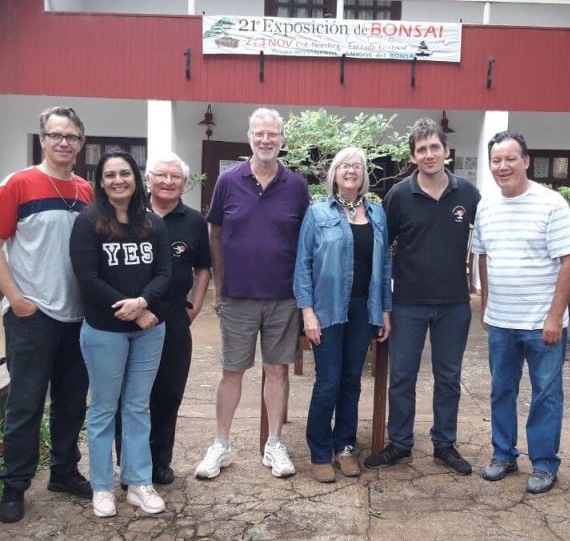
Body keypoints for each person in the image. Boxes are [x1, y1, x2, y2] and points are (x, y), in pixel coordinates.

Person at [0, 106, 94, 523]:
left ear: (81, 144)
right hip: (33, 315)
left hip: (78, 317)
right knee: (25, 404)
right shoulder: (19, 184)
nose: (65, 143)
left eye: (73, 137)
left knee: (71, 402)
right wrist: (17, 298)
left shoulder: (86, 191)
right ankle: (15, 485)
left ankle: (63, 471)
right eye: (56, 135)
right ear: (42, 139)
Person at [195, 108, 310, 480]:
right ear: (250, 138)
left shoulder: (296, 186)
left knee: (277, 370)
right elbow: (215, 233)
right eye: (259, 134)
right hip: (238, 295)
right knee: (232, 371)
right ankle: (221, 444)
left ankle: (274, 444)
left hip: (283, 297)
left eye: (273, 134)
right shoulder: (228, 181)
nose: (266, 140)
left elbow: (305, 241)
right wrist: (219, 285)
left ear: (282, 140)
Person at [365, 118, 480, 475]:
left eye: (434, 148)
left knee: (449, 376)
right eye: (421, 150)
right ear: (413, 156)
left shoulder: (467, 194)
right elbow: (381, 252)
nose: (428, 155)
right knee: (402, 376)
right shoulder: (399, 196)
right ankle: (399, 442)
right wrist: (383, 304)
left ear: (446, 152)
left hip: (454, 304)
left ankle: (444, 443)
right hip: (408, 303)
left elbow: (486, 241)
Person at [472, 131, 570, 494]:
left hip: (542, 324)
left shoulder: (551, 203)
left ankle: (545, 463)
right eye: (496, 160)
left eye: (510, 159)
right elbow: (482, 256)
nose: (502, 166)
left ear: (526, 161)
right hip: (502, 321)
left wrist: (555, 315)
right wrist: (487, 305)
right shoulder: (486, 205)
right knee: (501, 390)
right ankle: (503, 454)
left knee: (546, 395)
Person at [70, 150, 171, 517]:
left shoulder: (153, 224)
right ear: (100, 181)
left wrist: (143, 302)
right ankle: (101, 487)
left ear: (136, 178)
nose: (118, 180)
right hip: (104, 331)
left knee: (137, 407)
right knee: (103, 409)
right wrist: (132, 311)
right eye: (110, 174)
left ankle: (137, 483)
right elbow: (88, 278)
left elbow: (164, 274)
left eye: (124, 173)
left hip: (148, 331)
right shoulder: (88, 222)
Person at [294, 147, 392, 483]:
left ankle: (345, 447)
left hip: (364, 308)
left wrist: (385, 311)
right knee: (327, 383)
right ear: (334, 174)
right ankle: (320, 452)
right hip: (327, 309)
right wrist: (307, 313)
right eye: (345, 166)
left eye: (358, 166)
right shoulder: (317, 212)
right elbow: (303, 265)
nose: (351, 170)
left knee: (352, 383)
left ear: (364, 175)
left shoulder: (377, 214)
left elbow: (384, 266)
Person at [128, 152, 212, 483]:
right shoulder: (129, 214)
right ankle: (132, 464)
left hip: (175, 316)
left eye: (175, 177)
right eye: (160, 175)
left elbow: (203, 266)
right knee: (132, 394)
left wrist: (196, 304)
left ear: (185, 183)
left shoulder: (193, 221)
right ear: (147, 179)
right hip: (131, 317)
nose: (167, 181)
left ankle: (160, 461)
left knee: (169, 392)